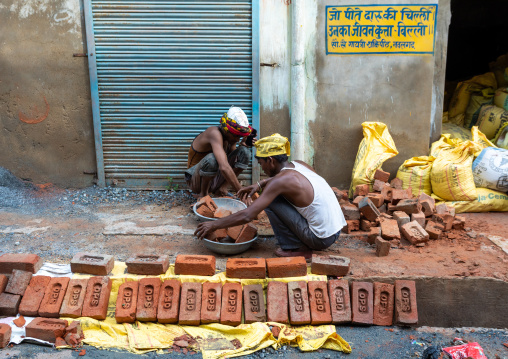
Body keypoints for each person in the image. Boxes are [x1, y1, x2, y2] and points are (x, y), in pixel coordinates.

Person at [195, 133, 347, 258]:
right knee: (273, 196)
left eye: (261, 164)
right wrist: (260, 184)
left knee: (271, 200)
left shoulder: (280, 181)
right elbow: (282, 179)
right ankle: (298, 242)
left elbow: (249, 214)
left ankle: (295, 248)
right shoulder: (299, 165)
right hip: (335, 230)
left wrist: (213, 224)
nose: (262, 168)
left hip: (320, 239)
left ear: (270, 161)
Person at [185, 106, 257, 200]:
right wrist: (241, 192)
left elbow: (232, 163)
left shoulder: (230, 138)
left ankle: (222, 189)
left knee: (244, 152)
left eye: (239, 137)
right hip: (195, 180)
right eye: (236, 136)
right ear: (227, 130)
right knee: (212, 158)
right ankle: (203, 195)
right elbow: (224, 167)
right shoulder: (214, 133)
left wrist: (242, 146)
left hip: (214, 178)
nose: (237, 139)